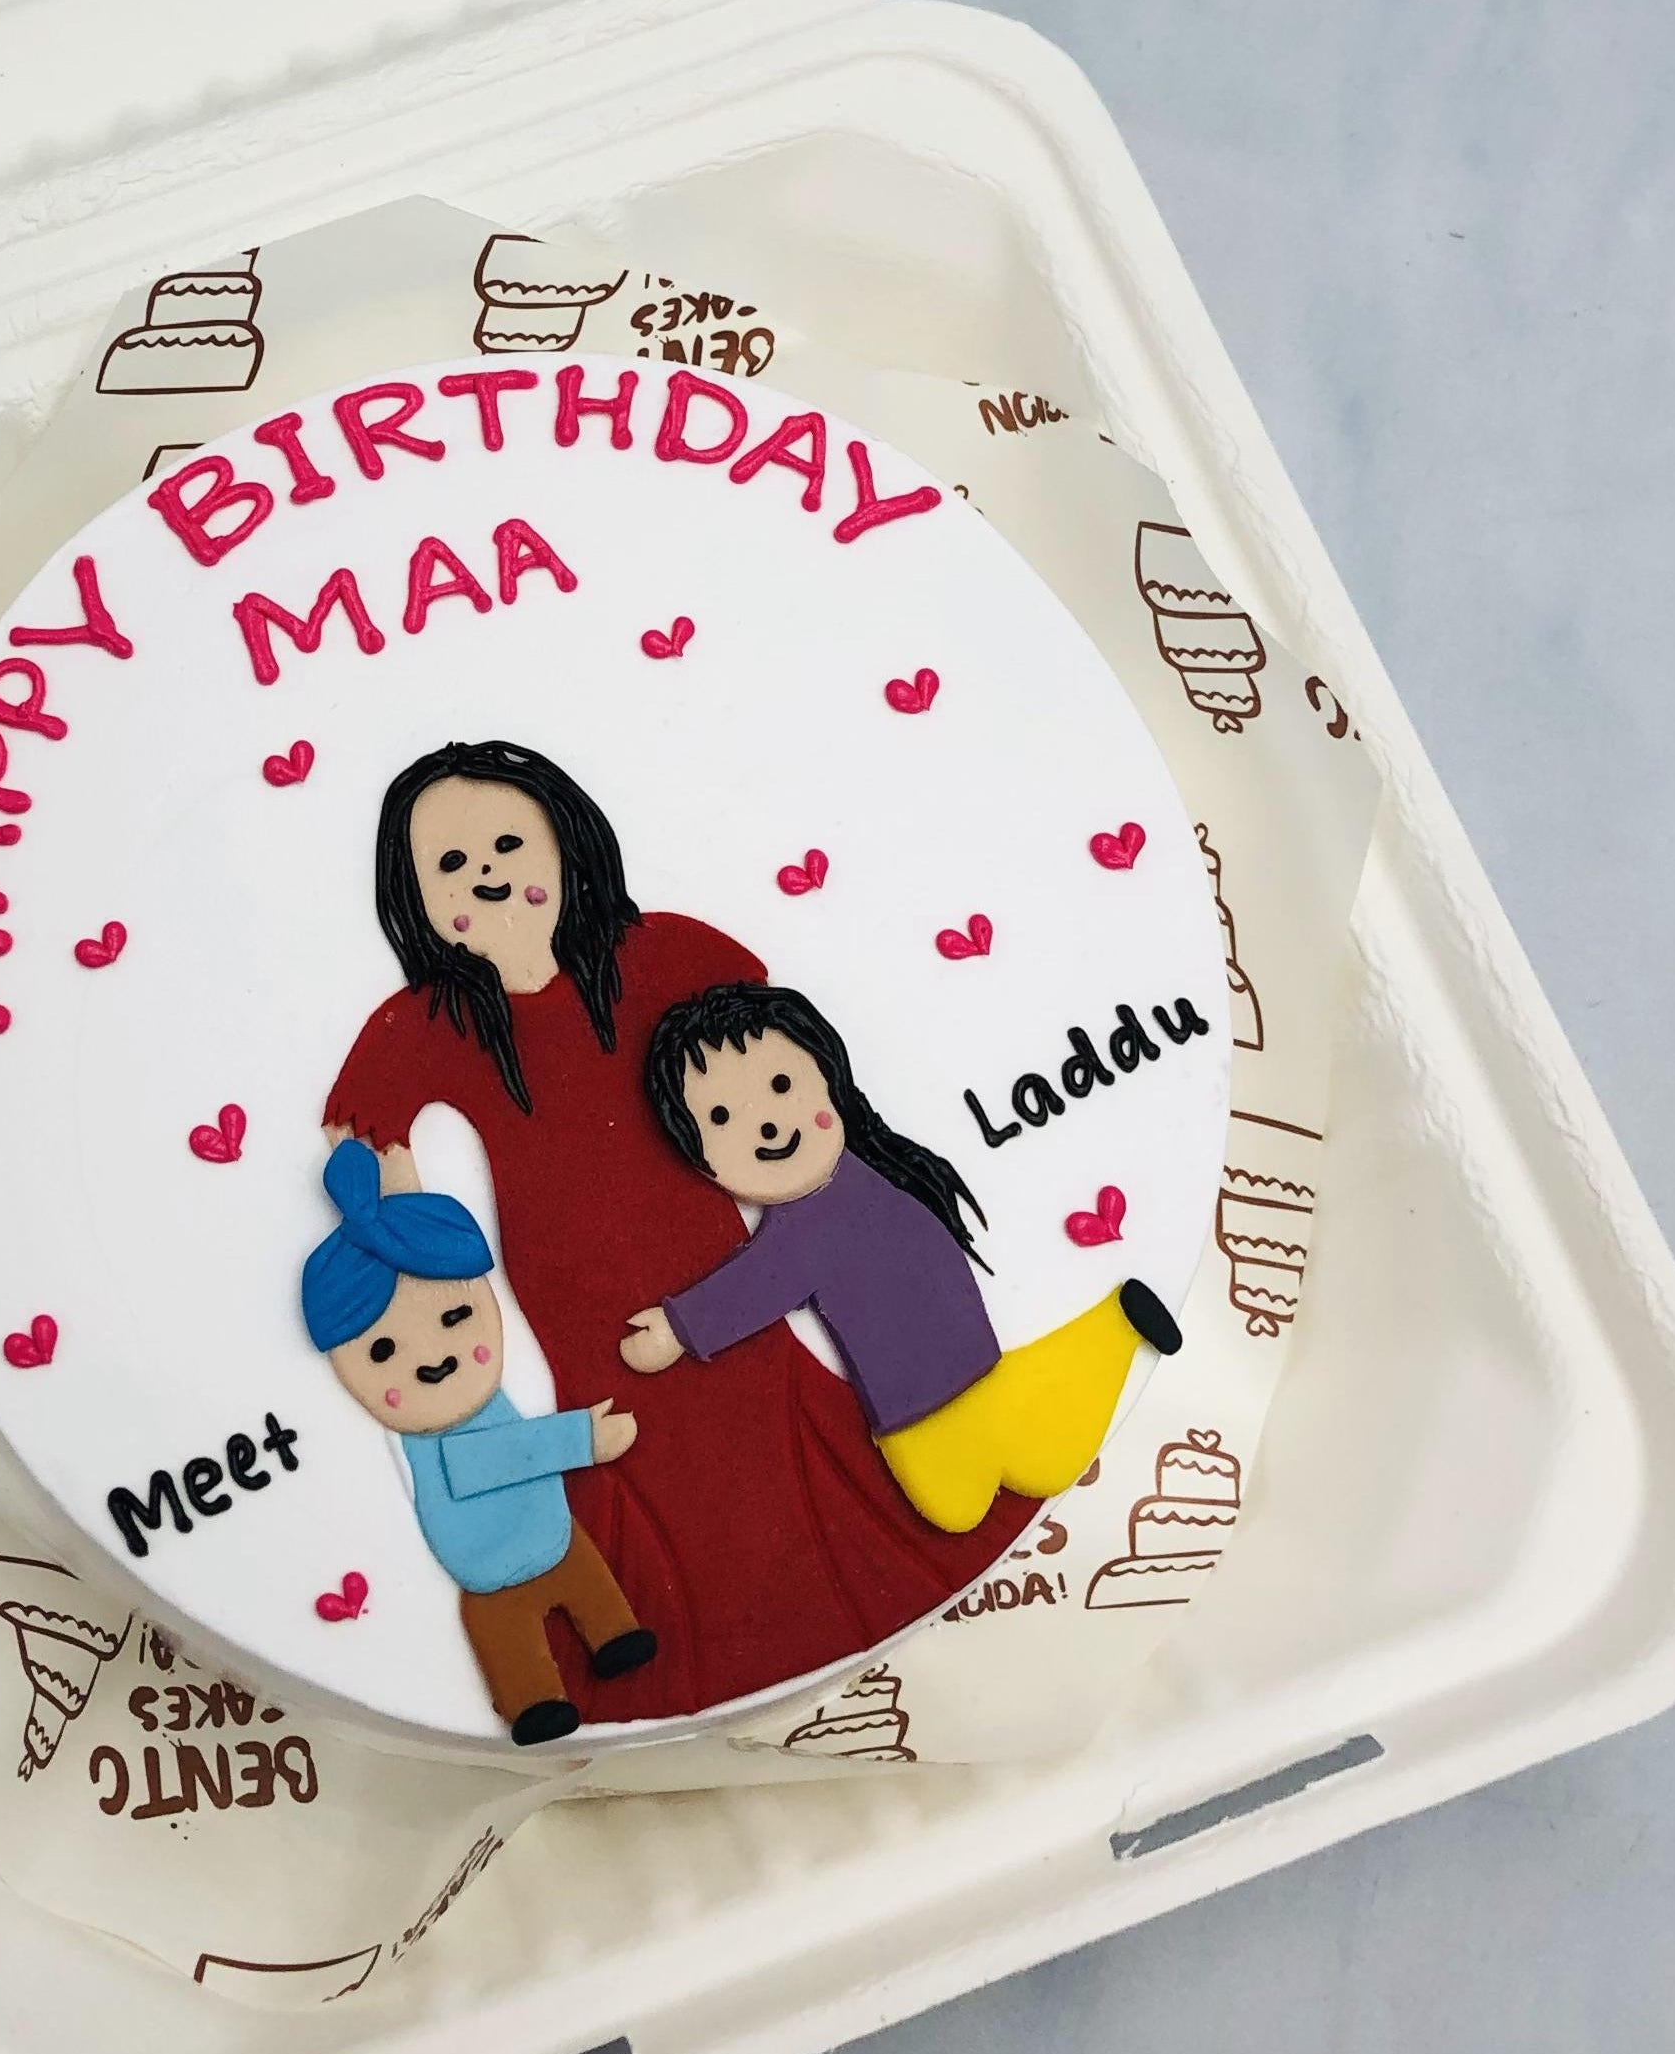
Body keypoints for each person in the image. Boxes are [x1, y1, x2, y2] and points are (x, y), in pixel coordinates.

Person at [323, 738, 1030, 1720]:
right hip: (572, 1300)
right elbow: (363, 1133)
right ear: (420, 900)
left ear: (566, 844)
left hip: (708, 1257)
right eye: (448, 863)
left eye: (505, 843)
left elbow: (765, 1030)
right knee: (633, 1446)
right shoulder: (435, 1018)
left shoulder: (656, 953)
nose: (483, 872)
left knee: (758, 1414)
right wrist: (412, 1248)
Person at [621, 980, 1182, 1530]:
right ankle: (1115, 1326)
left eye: (782, 1083)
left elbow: (759, 1284)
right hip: (944, 1377)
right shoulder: (855, 1189)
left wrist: (680, 1329)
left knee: (969, 1497)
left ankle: (1115, 1326)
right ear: (700, 1156)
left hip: (924, 1400)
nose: (766, 1121)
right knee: (985, 1480)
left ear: (828, 1078)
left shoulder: (815, 1221)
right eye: (721, 1118)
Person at [301, 1141, 657, 1744]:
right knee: (501, 1620)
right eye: (382, 1351)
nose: (433, 1358)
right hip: (482, 1559)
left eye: (454, 1318)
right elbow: (479, 1461)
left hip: (549, 1527)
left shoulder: (496, 1392)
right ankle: (534, 1698)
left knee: (577, 1563)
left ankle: (614, 1634)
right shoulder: (423, 1438)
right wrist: (579, 1438)